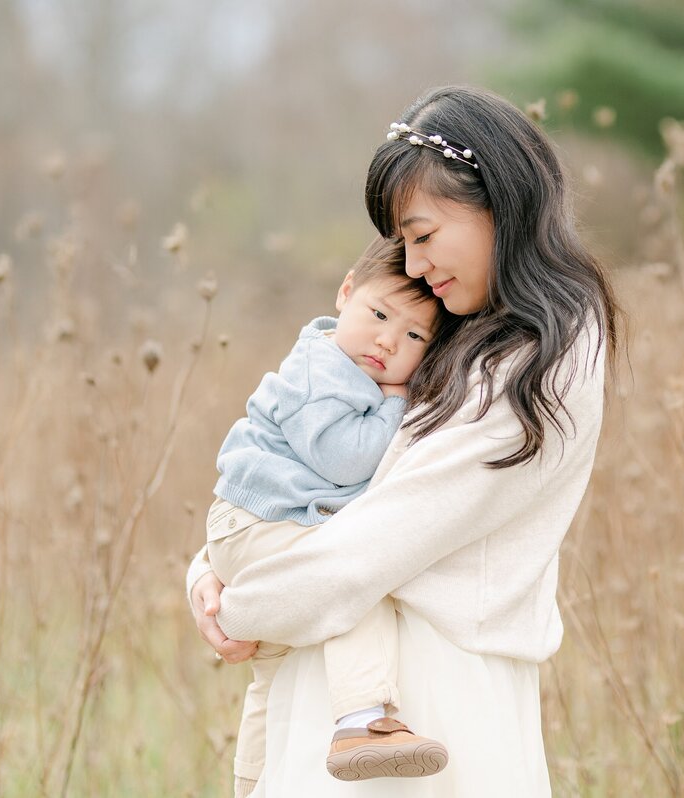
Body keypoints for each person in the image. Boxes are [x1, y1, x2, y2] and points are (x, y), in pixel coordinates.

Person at [188, 84, 620, 797]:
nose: (414, 267)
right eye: (404, 246)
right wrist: (208, 566)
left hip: (431, 709)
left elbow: (372, 547)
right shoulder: (459, 331)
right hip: (342, 689)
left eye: (423, 235)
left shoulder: (543, 358)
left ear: (498, 202)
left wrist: (233, 605)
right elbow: (322, 491)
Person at [198, 236, 454, 796]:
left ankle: (253, 782)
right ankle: (364, 720)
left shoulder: (348, 371)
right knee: (352, 585)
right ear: (345, 293)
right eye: (379, 314)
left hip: (269, 521)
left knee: (274, 672)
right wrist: (400, 400)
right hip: (257, 522)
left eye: (414, 336)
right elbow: (344, 460)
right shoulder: (323, 368)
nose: (388, 341)